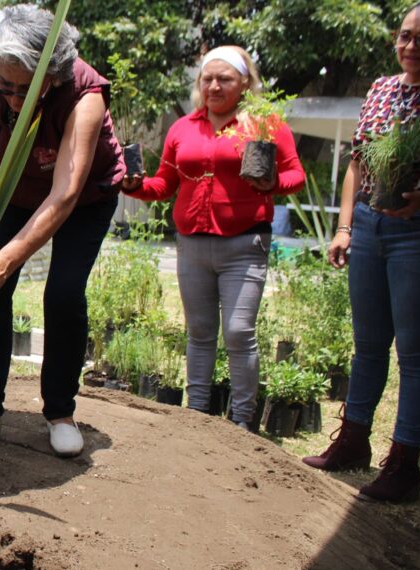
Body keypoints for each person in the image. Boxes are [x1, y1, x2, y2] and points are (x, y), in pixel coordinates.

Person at [0, 5, 125, 457]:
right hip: (13, 188)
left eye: (25, 88)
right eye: (5, 85)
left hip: (83, 198)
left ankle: (59, 412)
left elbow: (65, 194)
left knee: (63, 292)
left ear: (52, 75)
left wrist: (6, 260)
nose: (13, 100)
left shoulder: (84, 93)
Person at [303, 0, 420, 503]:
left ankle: (404, 465)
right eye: (405, 35)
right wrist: (345, 227)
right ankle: (353, 441)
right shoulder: (383, 89)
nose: (411, 45)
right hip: (368, 225)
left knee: (414, 351)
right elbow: (358, 163)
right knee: (367, 343)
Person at [120, 45, 305, 429]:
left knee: (239, 332)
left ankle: (242, 423)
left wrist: (270, 183)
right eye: (208, 78)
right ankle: (196, 417)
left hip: (244, 244)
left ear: (244, 83)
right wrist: (134, 186)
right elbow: (164, 184)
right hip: (192, 245)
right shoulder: (183, 128)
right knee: (200, 331)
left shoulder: (263, 124)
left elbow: (295, 176)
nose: (215, 86)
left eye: (225, 79)